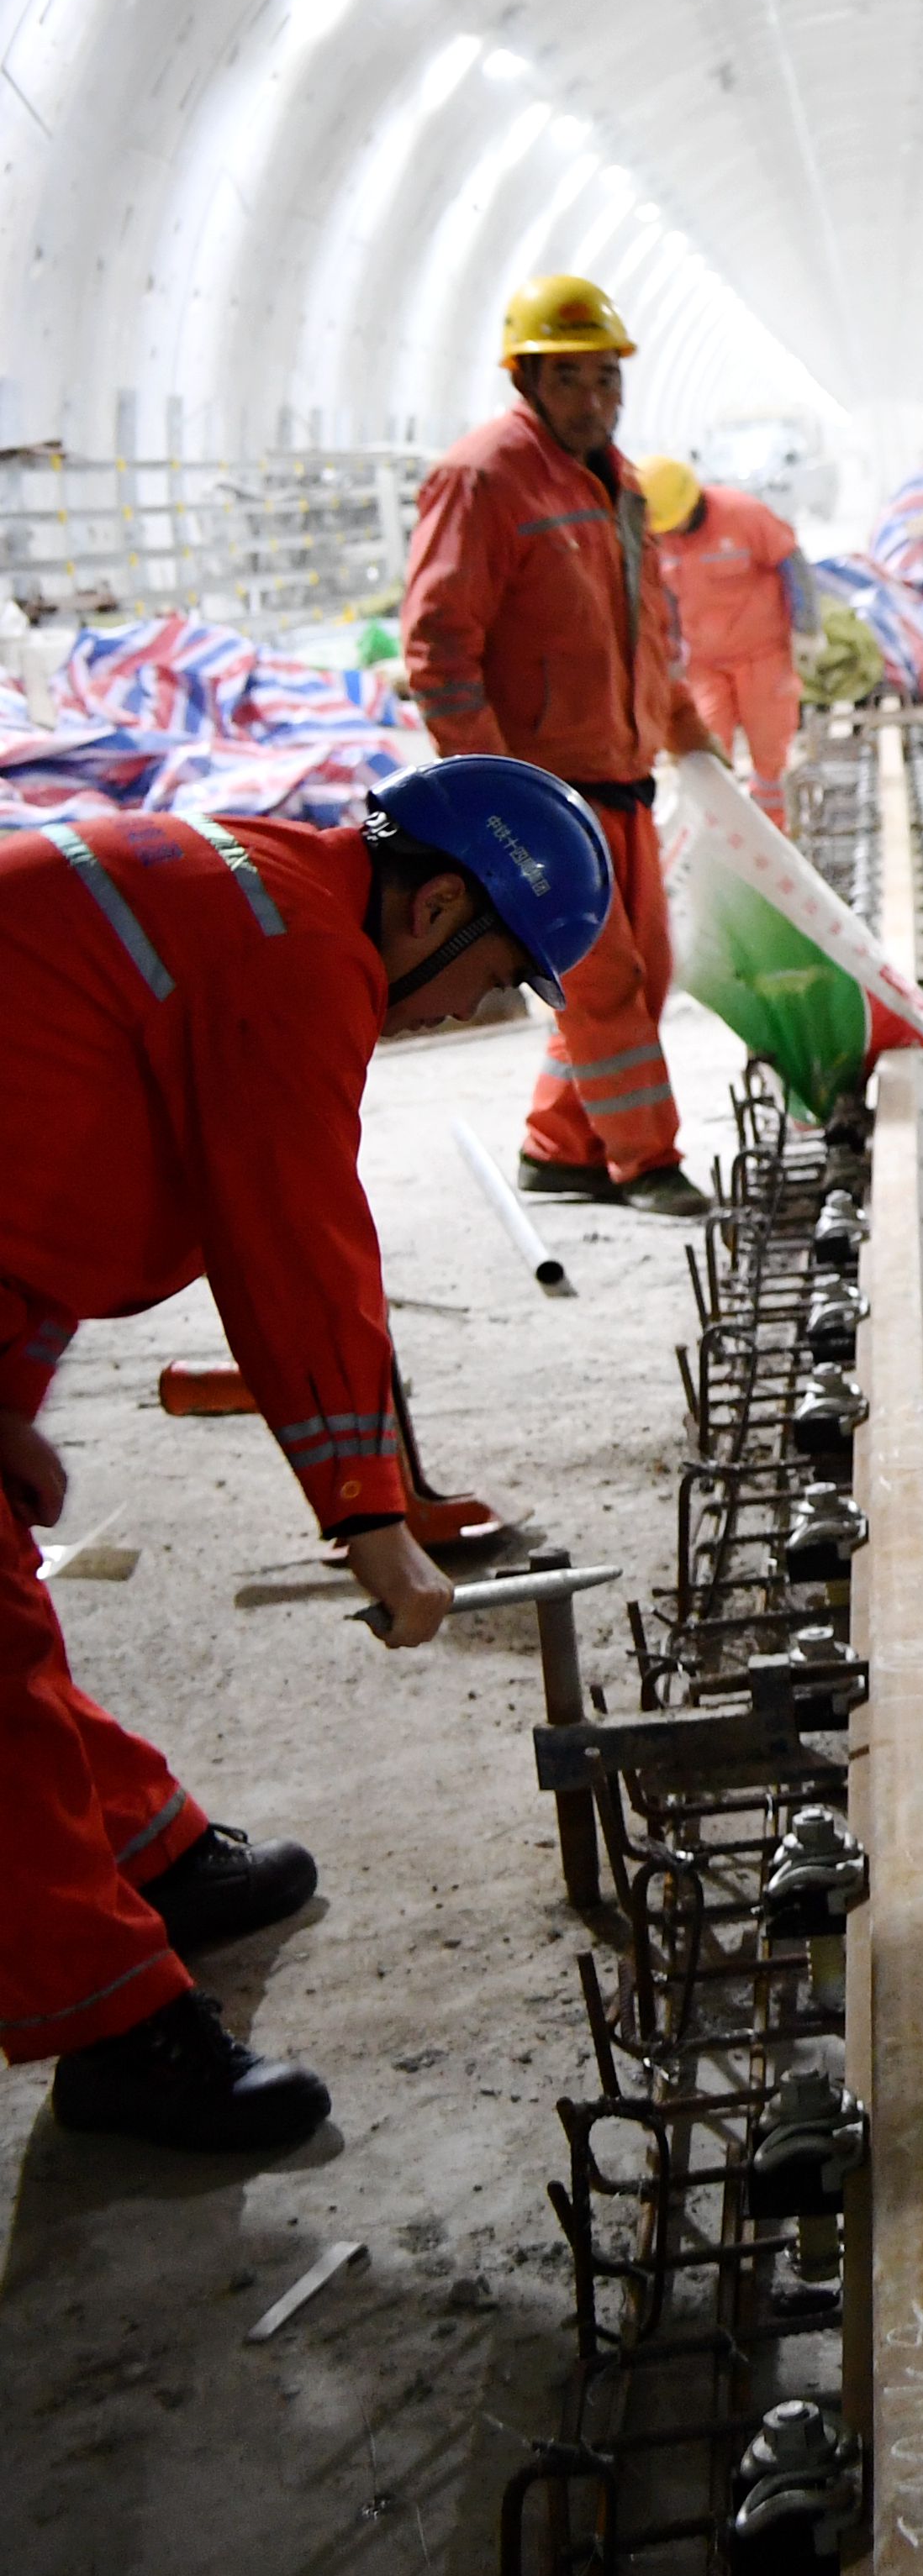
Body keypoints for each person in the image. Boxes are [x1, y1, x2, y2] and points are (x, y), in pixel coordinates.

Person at [3, 757, 616, 2152]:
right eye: (493, 975)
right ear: (437, 901)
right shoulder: (295, 953)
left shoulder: (274, 894)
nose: (470, 1010)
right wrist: (368, 1517)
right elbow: (289, 1234)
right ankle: (111, 2030)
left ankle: (143, 1846)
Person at [400, 272, 719, 1217]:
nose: (594, 400)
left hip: (620, 778)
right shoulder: (484, 477)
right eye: (571, 379)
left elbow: (644, 634)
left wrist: (691, 736)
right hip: (543, 792)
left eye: (606, 379)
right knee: (604, 976)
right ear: (528, 379)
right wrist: (492, 792)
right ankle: (645, 1162)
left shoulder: (619, 485)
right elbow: (439, 649)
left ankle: (560, 1148)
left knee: (642, 971)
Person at [643, 455, 818, 817]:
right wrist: (670, 660)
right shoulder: (658, 535)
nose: (673, 533)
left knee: (770, 757)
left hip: (763, 658)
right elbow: (665, 600)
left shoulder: (743, 515)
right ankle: (720, 839)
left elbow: (792, 563)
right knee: (704, 757)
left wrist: (807, 629)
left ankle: (775, 843)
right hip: (704, 666)